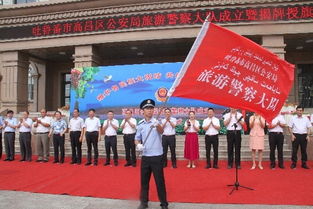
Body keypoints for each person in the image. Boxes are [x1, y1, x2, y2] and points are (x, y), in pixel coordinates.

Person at [135, 99, 168, 209]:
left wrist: (157, 125)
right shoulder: (140, 125)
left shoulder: (157, 122)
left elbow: (162, 131)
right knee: (144, 182)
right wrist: (138, 144)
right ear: (143, 111)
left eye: (151, 108)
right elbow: (137, 138)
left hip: (157, 156)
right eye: (147, 109)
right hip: (145, 157)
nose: (149, 110)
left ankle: (164, 204)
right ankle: (144, 203)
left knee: (160, 182)